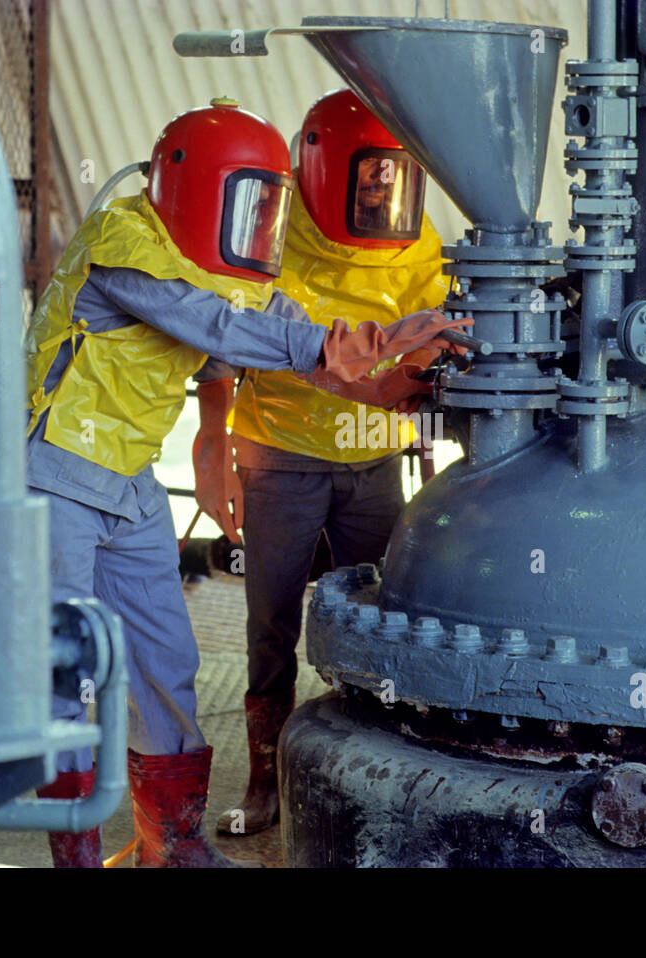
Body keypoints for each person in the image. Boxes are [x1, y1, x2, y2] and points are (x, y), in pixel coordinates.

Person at [24, 97, 466, 868]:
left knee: (166, 662)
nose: (262, 223)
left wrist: (387, 383)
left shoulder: (223, 265)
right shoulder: (125, 243)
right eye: (250, 200)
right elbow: (229, 332)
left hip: (126, 485)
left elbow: (296, 336)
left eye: (270, 202)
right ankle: (74, 856)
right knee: (69, 668)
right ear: (202, 191)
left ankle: (175, 843)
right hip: (54, 475)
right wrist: (383, 338)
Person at [193, 89, 449, 837]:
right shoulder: (269, 225)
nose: (380, 188)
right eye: (367, 173)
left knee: (383, 617)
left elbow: (435, 332)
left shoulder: (416, 236)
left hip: (376, 463)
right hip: (282, 460)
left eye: (392, 174)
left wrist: (422, 384)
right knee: (270, 623)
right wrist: (213, 448)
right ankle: (266, 781)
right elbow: (216, 329)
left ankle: (374, 775)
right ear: (319, 164)